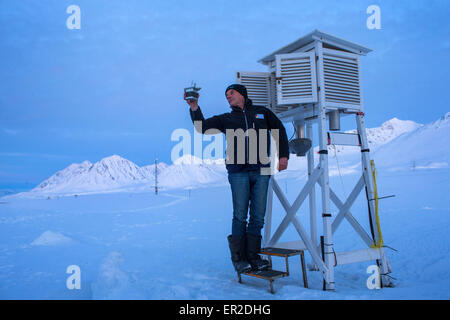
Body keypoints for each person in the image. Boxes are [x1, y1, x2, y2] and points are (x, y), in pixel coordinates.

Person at [184, 84, 289, 273]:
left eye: (231, 93)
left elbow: (279, 129)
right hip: (238, 171)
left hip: (262, 170)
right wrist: (194, 108)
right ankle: (239, 259)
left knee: (257, 216)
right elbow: (202, 127)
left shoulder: (261, 113)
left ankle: (254, 257)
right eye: (226, 95)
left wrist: (283, 155)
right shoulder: (227, 118)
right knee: (240, 215)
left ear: (242, 94)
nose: (228, 97)